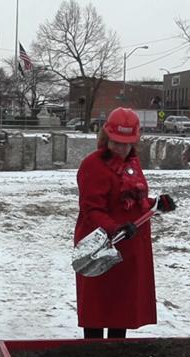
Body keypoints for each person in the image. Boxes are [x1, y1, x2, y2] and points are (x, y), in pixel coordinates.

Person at [74, 107, 176, 339]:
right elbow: (92, 209)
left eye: (127, 143)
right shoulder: (93, 165)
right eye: (117, 142)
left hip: (128, 246)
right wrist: (114, 228)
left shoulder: (132, 163)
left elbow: (132, 201)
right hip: (99, 246)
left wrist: (156, 204)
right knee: (98, 307)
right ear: (106, 137)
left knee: (120, 308)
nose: (122, 148)